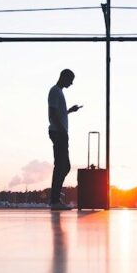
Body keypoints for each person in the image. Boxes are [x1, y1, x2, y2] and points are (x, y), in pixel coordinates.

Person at [48, 69, 81, 210]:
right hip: (58, 132)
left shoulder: (59, 92)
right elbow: (52, 114)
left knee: (64, 166)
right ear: (64, 77)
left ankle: (55, 195)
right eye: (70, 79)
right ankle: (54, 199)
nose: (72, 83)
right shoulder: (55, 91)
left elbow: (58, 113)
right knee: (61, 166)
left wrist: (69, 111)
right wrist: (62, 130)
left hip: (59, 132)